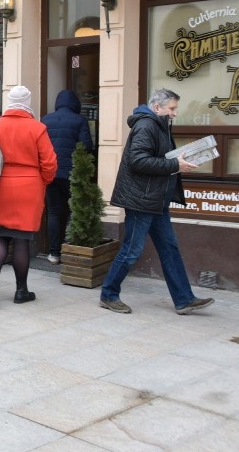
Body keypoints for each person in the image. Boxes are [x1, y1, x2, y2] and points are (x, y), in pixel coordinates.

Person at [99, 88, 215, 315]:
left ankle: (184, 299)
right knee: (132, 250)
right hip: (141, 200)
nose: (175, 113)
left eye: (175, 108)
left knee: (169, 248)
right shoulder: (147, 125)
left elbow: (158, 159)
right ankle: (108, 294)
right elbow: (138, 161)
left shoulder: (158, 125)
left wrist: (179, 161)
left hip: (155, 200)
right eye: (172, 108)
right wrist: (175, 165)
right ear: (157, 107)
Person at [0, 86, 57, 304]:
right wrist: (42, 182)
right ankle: (21, 291)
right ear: (28, 102)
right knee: (22, 240)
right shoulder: (37, 128)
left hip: (0, 186)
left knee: (0, 235)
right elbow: (49, 162)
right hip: (29, 188)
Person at [41, 90, 94, 264]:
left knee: (54, 213)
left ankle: (54, 253)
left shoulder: (45, 120)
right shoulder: (79, 120)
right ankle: (70, 249)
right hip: (72, 174)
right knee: (74, 211)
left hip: (51, 174)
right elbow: (86, 146)